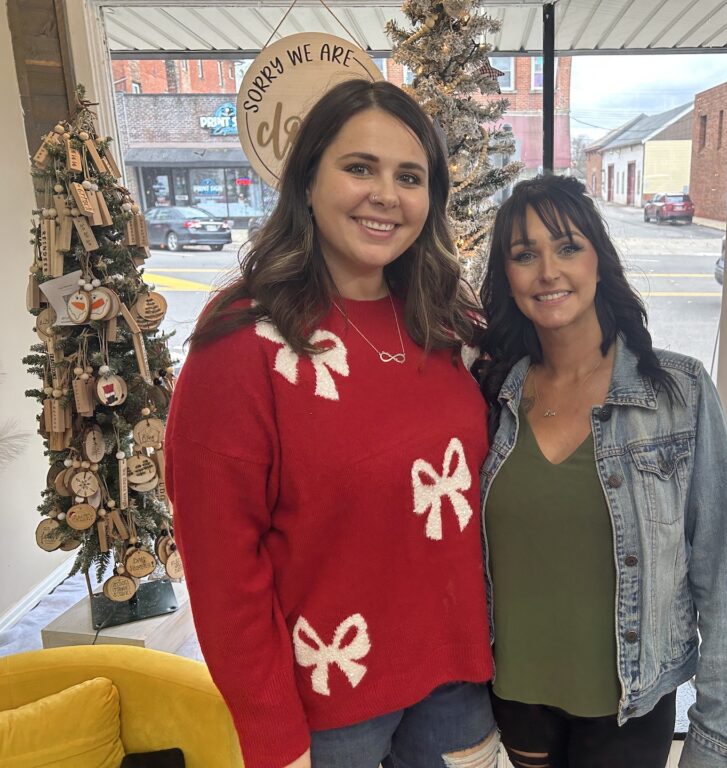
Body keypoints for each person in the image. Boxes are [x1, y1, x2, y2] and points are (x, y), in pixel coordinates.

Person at [164, 79, 498, 768]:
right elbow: (224, 566)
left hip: (458, 677)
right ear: (308, 180)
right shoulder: (242, 340)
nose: (386, 195)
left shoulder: (447, 321)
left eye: (409, 176)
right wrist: (271, 734)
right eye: (359, 168)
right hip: (326, 702)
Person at [473, 175, 727, 768]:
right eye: (524, 255)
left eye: (567, 247)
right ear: (508, 278)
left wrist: (721, 740)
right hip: (518, 699)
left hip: (630, 706)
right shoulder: (490, 394)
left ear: (599, 261)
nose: (548, 271)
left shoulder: (678, 395)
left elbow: (725, 573)